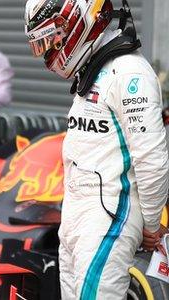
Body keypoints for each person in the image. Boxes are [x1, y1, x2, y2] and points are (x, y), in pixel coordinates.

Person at [24, 0, 169, 298]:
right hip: (77, 215)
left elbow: (152, 157)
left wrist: (151, 223)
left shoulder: (130, 72)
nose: (51, 50)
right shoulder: (94, 70)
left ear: (78, 20)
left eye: (53, 39)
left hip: (108, 218)